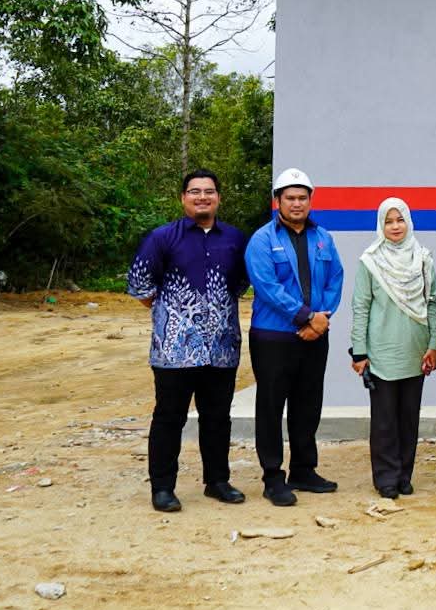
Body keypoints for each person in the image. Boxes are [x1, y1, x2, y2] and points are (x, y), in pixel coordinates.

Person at [127, 169, 251, 513]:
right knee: (169, 418)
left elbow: (240, 283)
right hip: (174, 352)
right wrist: (175, 312)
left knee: (217, 417)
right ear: (183, 198)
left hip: (222, 348)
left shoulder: (235, 239)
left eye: (208, 191)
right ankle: (163, 488)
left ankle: (217, 481)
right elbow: (140, 285)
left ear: (218, 198)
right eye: (194, 192)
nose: (202, 197)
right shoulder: (162, 237)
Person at [244, 168, 344, 506]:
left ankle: (304, 469)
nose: (297, 203)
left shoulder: (323, 238)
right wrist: (305, 317)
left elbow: (336, 279)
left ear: (311, 200)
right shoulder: (262, 239)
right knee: (271, 406)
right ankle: (273, 477)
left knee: (307, 404)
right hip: (274, 336)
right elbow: (266, 286)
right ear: (278, 202)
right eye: (290, 197)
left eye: (302, 197)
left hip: (315, 335)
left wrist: (321, 319)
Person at [350, 197, 436, 500]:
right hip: (381, 351)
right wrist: (360, 352)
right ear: (381, 225)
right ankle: (386, 477)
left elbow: (431, 304)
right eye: (388, 221)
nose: (395, 227)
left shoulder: (423, 259)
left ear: (408, 221)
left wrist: (434, 345)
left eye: (400, 219)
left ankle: (404, 474)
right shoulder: (370, 261)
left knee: (408, 417)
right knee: (385, 420)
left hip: (416, 350)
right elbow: (360, 307)